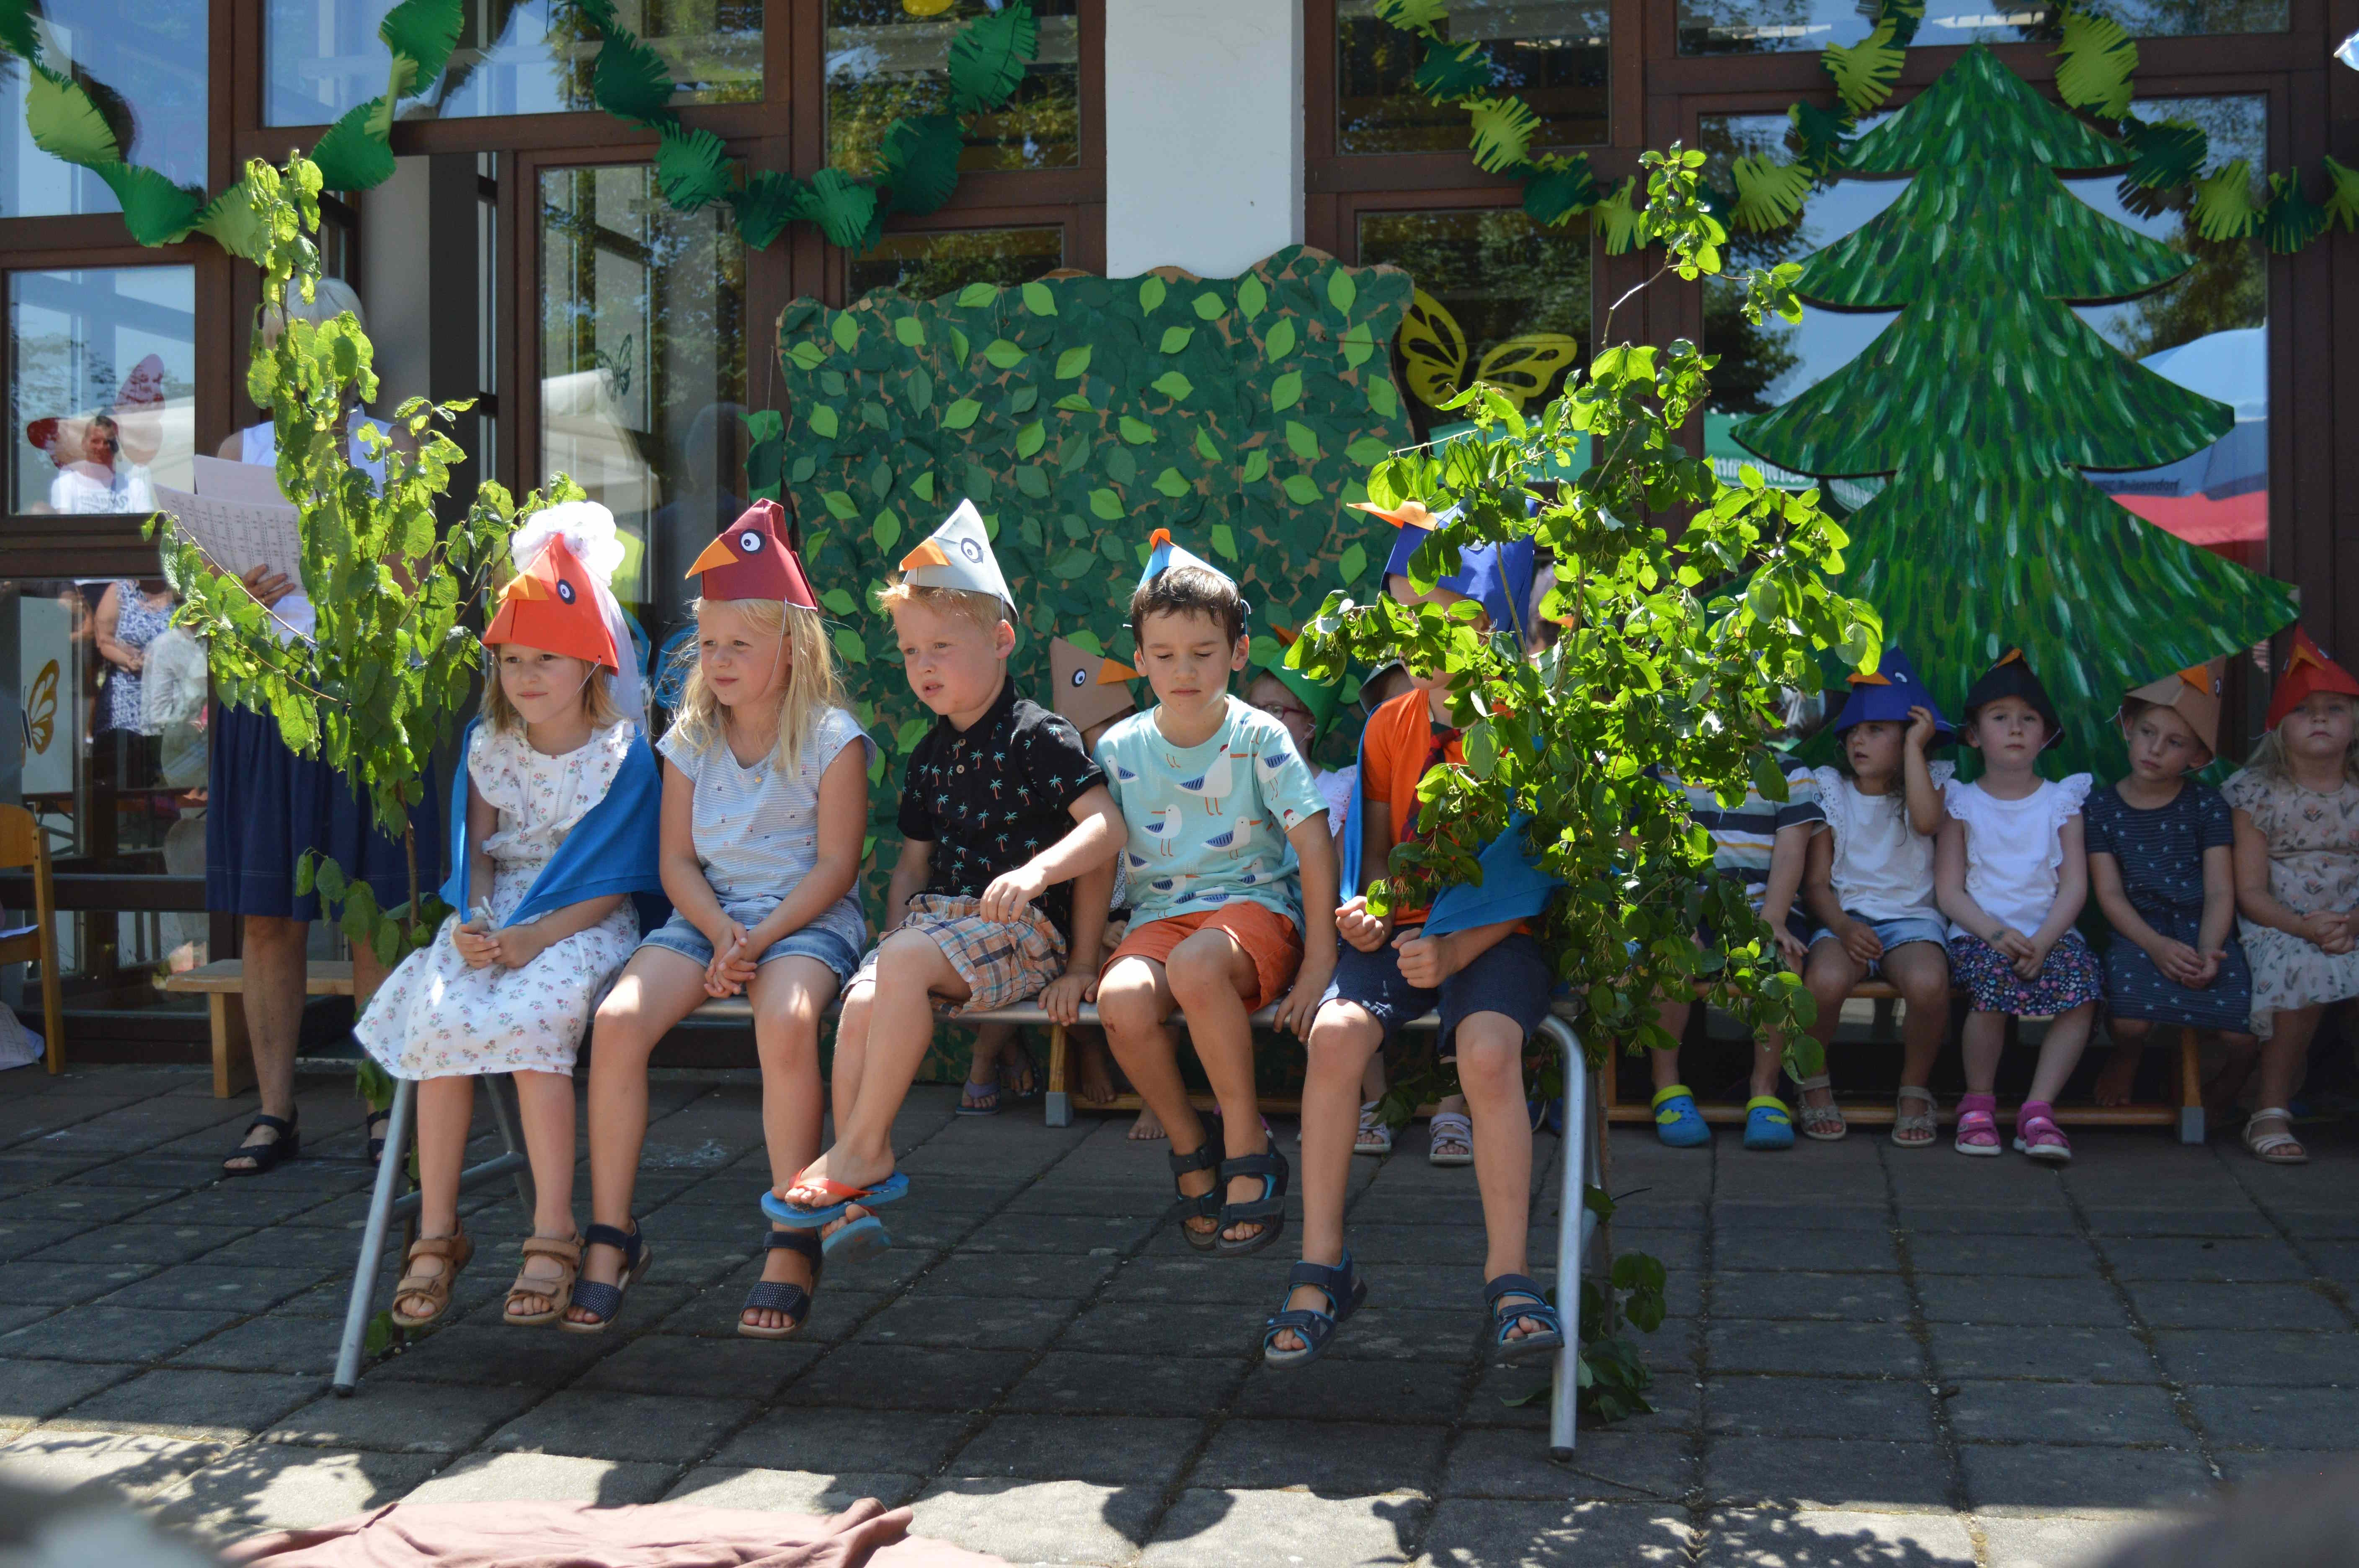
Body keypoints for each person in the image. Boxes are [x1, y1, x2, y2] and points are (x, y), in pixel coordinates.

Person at [768, 500, 1122, 1254]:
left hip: (1020, 929)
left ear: (1000, 641)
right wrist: (896, 938)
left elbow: (1105, 831)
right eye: (908, 651)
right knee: (861, 999)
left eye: (940, 646)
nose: (921, 665)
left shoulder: (1039, 734)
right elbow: (912, 867)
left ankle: (865, 1149)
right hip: (936, 929)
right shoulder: (930, 756)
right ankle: (850, 1191)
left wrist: (1064, 924)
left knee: (892, 967)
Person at [1267, 500, 1560, 1367]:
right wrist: (1364, 901)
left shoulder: (1528, 723)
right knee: (1333, 1038)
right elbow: (1384, 846)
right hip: (1410, 935)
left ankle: (1510, 1276)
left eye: (1445, 614)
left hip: (1500, 938)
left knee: (1485, 1055)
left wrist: (1460, 949)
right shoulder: (1388, 724)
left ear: (1493, 619)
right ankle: (1321, 1265)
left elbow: (1539, 876)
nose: (1420, 638)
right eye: (1405, 613)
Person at [568, 500, 870, 1336]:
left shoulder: (832, 738)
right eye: (710, 644)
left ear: (792, 647)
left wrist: (759, 942)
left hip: (803, 921)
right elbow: (675, 863)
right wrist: (718, 933)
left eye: (741, 644)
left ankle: (792, 1231)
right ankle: (609, 1235)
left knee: (785, 1017)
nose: (720, 660)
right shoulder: (691, 739)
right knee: (619, 1022)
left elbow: (838, 868)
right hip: (709, 919)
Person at [356, 515, 661, 1331]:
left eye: (545, 659)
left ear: (591, 661)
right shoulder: (489, 743)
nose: (526, 675)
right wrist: (476, 919)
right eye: (512, 660)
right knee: (439, 1017)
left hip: (579, 921)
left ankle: (553, 1230)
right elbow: (479, 852)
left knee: (535, 1021)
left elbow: (612, 877)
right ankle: (436, 1232)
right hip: (497, 916)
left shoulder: (620, 752)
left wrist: (534, 937)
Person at [211, 277, 437, 1176]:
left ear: (344, 349)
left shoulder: (396, 447)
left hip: (363, 701)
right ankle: (274, 1112)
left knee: (371, 909)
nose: (284, 360)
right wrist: (235, 594)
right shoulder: (240, 449)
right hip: (267, 703)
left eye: (299, 341)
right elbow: (213, 600)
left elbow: (418, 590)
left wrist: (372, 560)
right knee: (268, 916)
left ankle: (384, 1107)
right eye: (272, 343)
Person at [1090, 529, 1337, 1255]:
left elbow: (1313, 843)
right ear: (1139, 661)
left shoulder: (1261, 736)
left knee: (1198, 964)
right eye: (1164, 656)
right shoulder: (1117, 748)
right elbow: (1100, 855)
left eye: (1203, 653)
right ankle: (1188, 1140)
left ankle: (1244, 1135)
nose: (1184, 670)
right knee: (1122, 998)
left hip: (1253, 914)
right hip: (1161, 918)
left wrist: (1320, 961)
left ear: (1237, 651)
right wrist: (1084, 953)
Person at [1931, 650, 2101, 1161]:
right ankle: (1977, 1103)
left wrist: (2045, 940)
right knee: (1990, 985)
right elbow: (1949, 891)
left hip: (2049, 931)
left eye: (2029, 720)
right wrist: (1996, 935)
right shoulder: (1961, 802)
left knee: (2082, 987)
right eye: (2000, 718)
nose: (2015, 729)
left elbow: (2073, 886)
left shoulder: (2062, 801)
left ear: (2046, 735)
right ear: (1974, 735)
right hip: (1980, 934)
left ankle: (2038, 1109)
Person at [1647, 706, 1830, 1151]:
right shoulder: (1668, 768)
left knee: (1784, 961)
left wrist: (1772, 919)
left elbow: (1791, 854)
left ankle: (1764, 1093)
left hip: (1760, 907)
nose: (1731, 713)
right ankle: (1667, 1087)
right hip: (1688, 907)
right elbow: (1663, 852)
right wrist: (1680, 917)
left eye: (1752, 703)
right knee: (1672, 955)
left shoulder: (1790, 772)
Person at [1799, 650, 1956, 1148]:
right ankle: (1813, 1080)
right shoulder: (1831, 792)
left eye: (1877, 730)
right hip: (1846, 920)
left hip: (1912, 923)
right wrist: (1843, 928)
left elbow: (1927, 824)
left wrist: (1915, 750)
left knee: (1930, 984)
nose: (1858, 741)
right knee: (1822, 981)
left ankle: (1914, 1088)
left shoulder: (1933, 789)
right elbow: (1818, 885)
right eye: (1853, 732)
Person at [2087, 661, 2257, 1113]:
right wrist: (2155, 945)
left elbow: (2221, 891)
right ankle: (2128, 1056)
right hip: (2138, 930)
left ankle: (2236, 1077)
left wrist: (2208, 948)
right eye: (2147, 732)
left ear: (2197, 758)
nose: (2155, 748)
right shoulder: (2100, 809)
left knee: (2242, 1034)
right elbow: (2109, 895)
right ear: (2128, 726)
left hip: (2205, 927)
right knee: (2127, 1023)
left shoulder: (2207, 806)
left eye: (2175, 742)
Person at [2224, 629, 2359, 1166]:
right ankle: (2270, 1107)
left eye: (2333, 709)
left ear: (2354, 725)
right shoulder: (2258, 793)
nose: (2319, 718)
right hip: (2279, 926)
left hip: (2353, 921)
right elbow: (2250, 891)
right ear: (2279, 728)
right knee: (2305, 971)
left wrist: (2351, 921)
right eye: (2304, 710)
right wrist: (2307, 927)